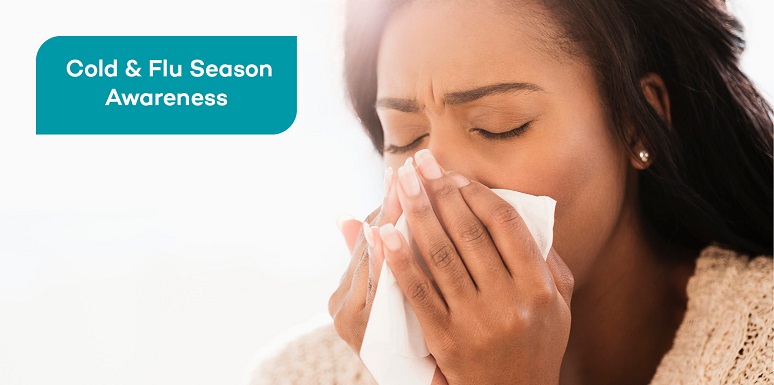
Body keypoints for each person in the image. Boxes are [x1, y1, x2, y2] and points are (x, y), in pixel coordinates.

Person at [250, 0, 773, 383]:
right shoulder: (305, 375)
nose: (435, 178)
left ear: (640, 124)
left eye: (501, 125)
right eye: (405, 138)